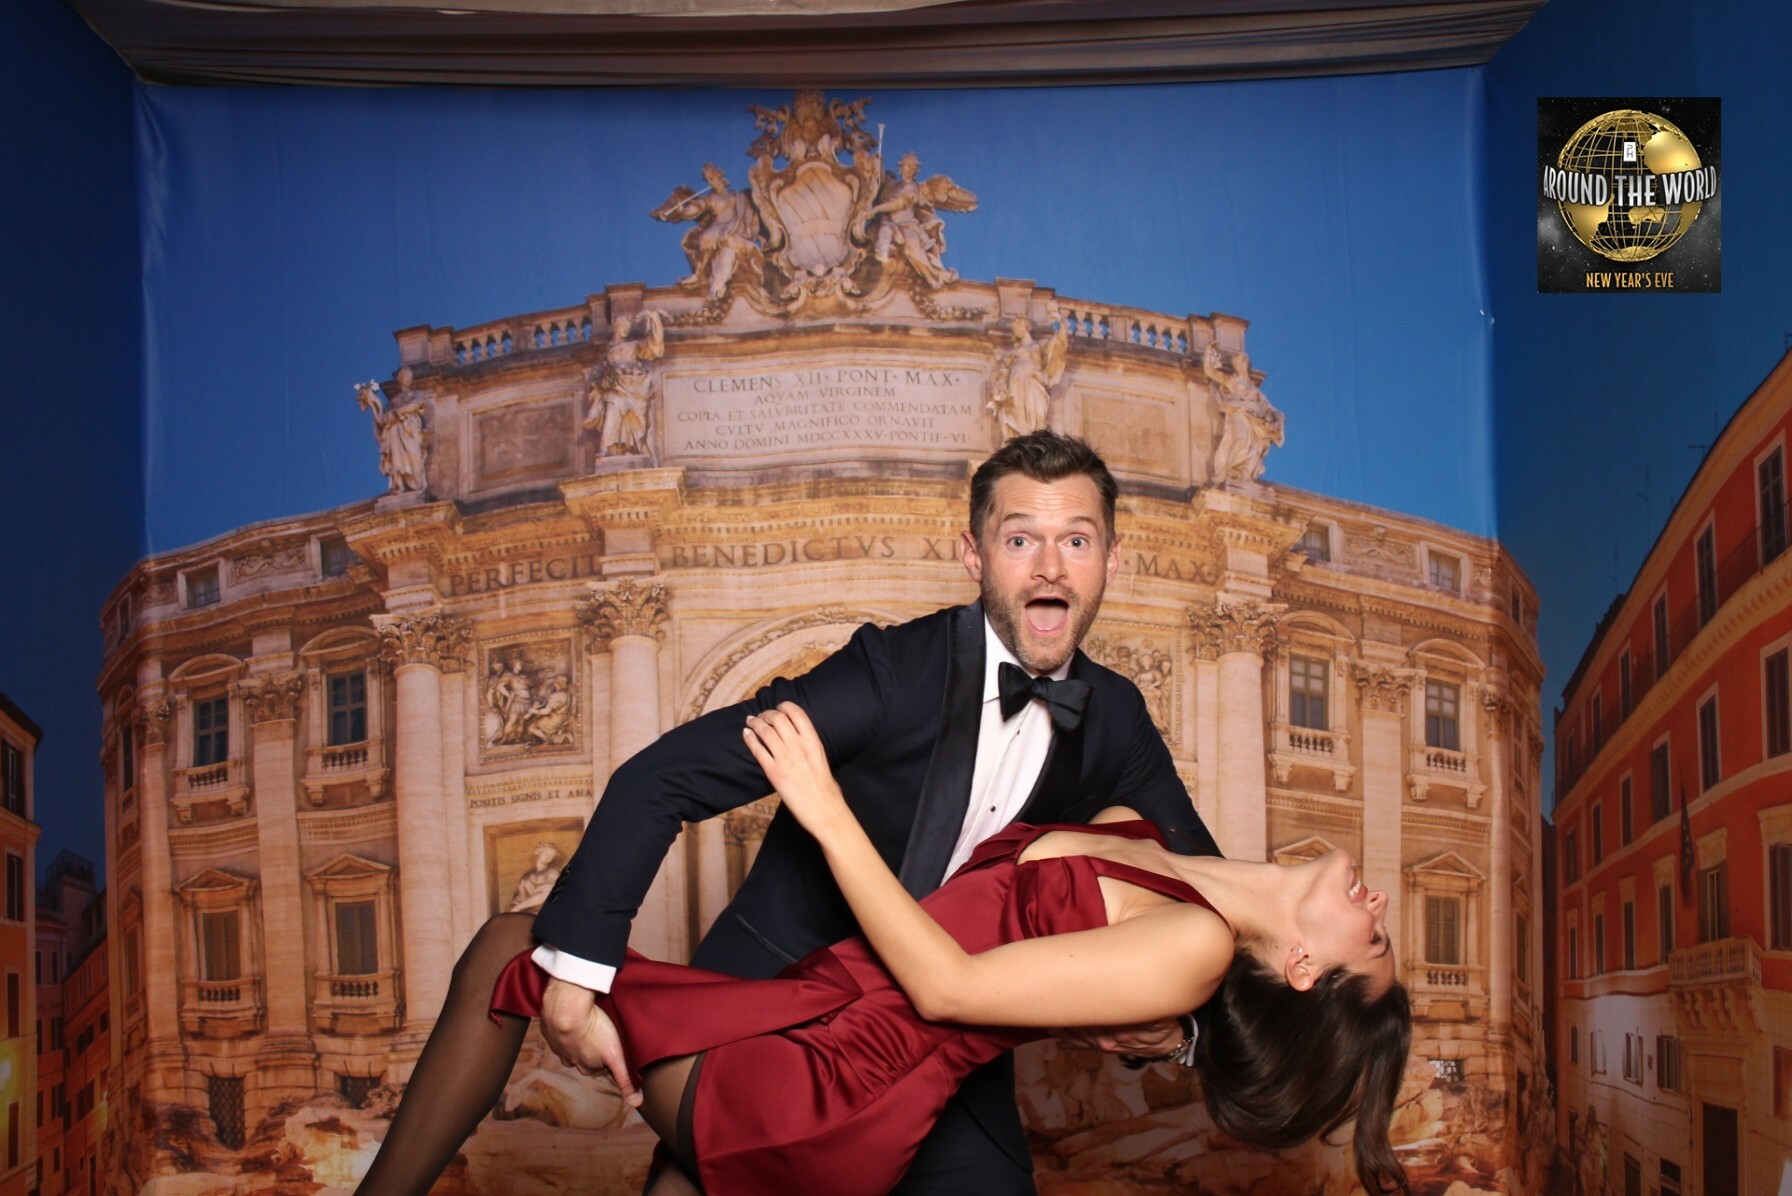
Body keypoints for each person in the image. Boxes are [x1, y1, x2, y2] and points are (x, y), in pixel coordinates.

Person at [358, 431, 1224, 1194]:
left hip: (947, 1055)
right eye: (1020, 538)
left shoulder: (1116, 718)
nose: (1049, 567)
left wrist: (1179, 1025)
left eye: (1077, 540)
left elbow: (1217, 892)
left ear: (1113, 560)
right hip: (769, 1011)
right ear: (973, 554)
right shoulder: (892, 673)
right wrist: (576, 979)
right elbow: (660, 778)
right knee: (519, 960)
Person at [487, 703, 1410, 1196]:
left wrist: (822, 803)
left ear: (1304, 969)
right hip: (812, 1020)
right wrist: (1175, 1033)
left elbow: (948, 986)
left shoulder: (1198, 943)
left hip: (840, 1090)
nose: (1378, 906)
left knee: (513, 949)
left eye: (1373, 939)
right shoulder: (1145, 832)